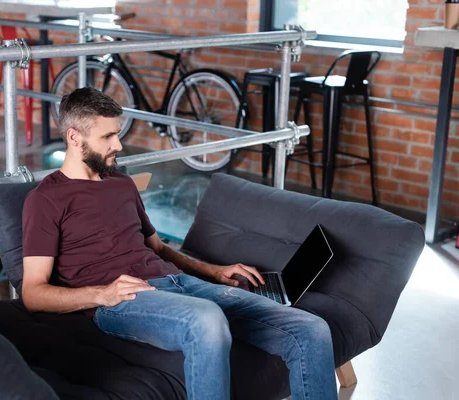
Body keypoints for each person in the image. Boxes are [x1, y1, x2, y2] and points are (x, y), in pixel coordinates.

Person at [21, 87, 337, 400]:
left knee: (311, 329)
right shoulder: (46, 200)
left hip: (180, 282)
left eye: (118, 133)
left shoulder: (121, 183)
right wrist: (102, 294)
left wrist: (214, 272)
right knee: (206, 321)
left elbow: (157, 248)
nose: (118, 144)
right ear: (75, 137)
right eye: (107, 137)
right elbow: (33, 293)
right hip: (123, 298)